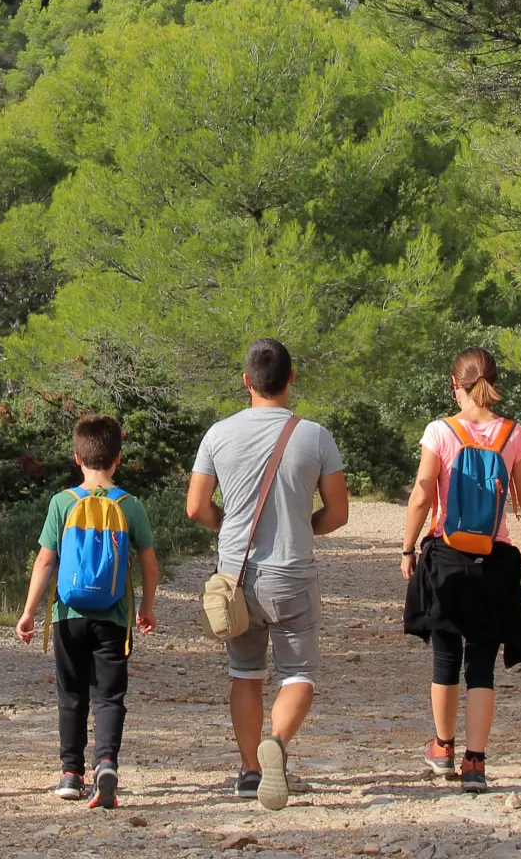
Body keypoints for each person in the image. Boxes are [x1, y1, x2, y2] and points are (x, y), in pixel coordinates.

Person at [185, 338, 350, 810]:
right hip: (293, 572)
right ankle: (276, 743)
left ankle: (249, 772)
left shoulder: (218, 435)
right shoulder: (315, 436)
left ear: (245, 382)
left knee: (245, 673)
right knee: (299, 674)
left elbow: (196, 506)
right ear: (291, 378)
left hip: (237, 576)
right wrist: (303, 526)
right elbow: (337, 514)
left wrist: (229, 529)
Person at [401, 347, 521, 794]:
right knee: (482, 664)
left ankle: (442, 748)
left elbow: (423, 494)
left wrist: (408, 547)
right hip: (496, 560)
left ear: (453, 384)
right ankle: (476, 763)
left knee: (445, 657)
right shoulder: (513, 435)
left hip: (446, 557)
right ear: (494, 383)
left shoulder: (440, 431)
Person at [15, 414, 162, 809]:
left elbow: (45, 562)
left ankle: (69, 773)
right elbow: (149, 564)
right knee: (109, 695)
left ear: (77, 458)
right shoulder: (131, 506)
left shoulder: (62, 502)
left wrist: (28, 611)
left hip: (68, 616)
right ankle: (106, 763)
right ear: (117, 458)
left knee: (71, 694)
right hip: (112, 618)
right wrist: (145, 608)